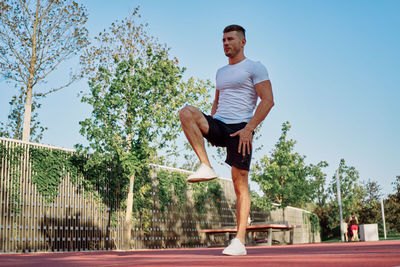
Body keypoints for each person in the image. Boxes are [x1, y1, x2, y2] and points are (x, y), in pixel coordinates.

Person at [179, 24, 274, 256]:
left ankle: (239, 241)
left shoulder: (255, 67)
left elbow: (268, 100)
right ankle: (206, 166)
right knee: (186, 112)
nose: (225, 43)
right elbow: (217, 100)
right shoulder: (221, 72)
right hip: (219, 123)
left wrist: (249, 129)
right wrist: (208, 129)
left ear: (242, 42)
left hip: (241, 128)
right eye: (223, 40)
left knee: (239, 182)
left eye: (230, 39)